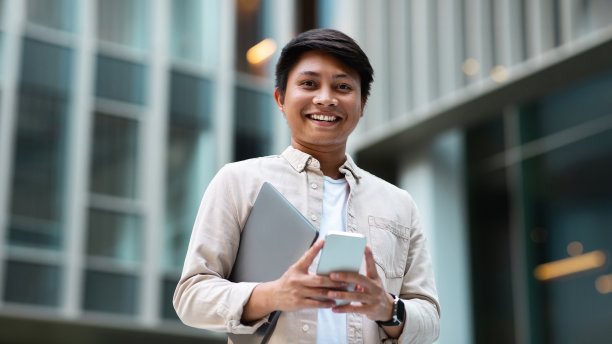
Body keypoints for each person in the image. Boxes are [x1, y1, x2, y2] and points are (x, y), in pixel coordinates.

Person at [173, 28, 440, 343]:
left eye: (342, 87)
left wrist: (388, 308)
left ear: (362, 104)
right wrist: (271, 295)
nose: (325, 98)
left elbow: (430, 319)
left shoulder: (399, 203)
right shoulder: (239, 182)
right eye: (309, 84)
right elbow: (190, 296)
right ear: (281, 99)